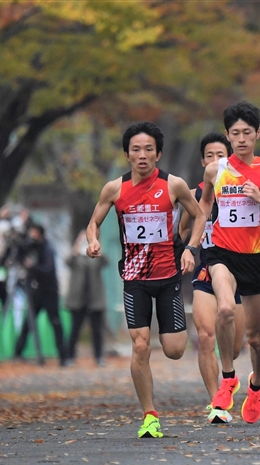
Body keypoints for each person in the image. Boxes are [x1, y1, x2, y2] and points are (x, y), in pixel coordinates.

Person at [86, 121, 207, 438]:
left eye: (148, 149)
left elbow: (200, 215)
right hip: (134, 278)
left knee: (175, 350)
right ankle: (150, 415)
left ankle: (152, 407)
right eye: (136, 149)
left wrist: (191, 249)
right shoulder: (114, 189)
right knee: (140, 347)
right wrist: (93, 241)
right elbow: (93, 223)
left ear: (158, 153)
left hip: (168, 278)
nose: (142, 155)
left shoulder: (174, 185)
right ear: (127, 154)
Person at [198, 102, 260, 426]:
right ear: (227, 136)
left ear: (257, 134)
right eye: (235, 133)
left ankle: (256, 386)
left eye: (247, 133)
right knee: (225, 309)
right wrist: (190, 245)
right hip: (221, 254)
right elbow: (204, 207)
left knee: (256, 337)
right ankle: (228, 377)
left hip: (257, 259)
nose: (241, 139)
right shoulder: (216, 170)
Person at [179, 132, 246, 423]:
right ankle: (216, 402)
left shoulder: (244, 188)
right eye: (210, 155)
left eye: (221, 155)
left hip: (241, 270)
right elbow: (183, 231)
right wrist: (190, 249)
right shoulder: (195, 196)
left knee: (236, 343)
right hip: (206, 270)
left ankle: (232, 379)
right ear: (203, 161)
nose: (216, 160)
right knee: (206, 337)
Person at [13, 223, 68, 366]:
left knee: (55, 323)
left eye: (34, 232)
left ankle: (63, 356)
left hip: (49, 292)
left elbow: (48, 270)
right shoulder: (33, 247)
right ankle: (18, 352)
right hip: (36, 291)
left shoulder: (47, 249)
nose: (31, 235)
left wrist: (33, 266)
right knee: (29, 322)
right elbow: (20, 255)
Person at [65, 230, 107, 366]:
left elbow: (106, 261)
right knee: (75, 330)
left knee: (97, 331)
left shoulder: (95, 256)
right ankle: (70, 356)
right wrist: (76, 248)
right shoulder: (76, 257)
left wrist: (96, 246)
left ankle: (99, 357)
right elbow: (68, 262)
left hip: (95, 299)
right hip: (78, 300)